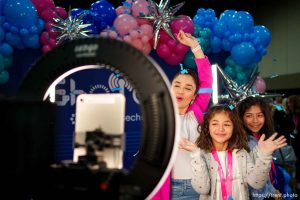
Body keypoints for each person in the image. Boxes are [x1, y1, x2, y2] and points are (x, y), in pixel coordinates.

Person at [152, 30, 213, 200]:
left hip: (198, 185)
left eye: (188, 88)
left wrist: (195, 46)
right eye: (177, 85)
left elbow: (207, 79)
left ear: (194, 96)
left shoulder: (197, 112)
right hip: (167, 187)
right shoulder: (159, 115)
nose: (181, 91)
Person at [182, 105, 287, 200]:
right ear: (207, 127)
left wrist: (264, 155)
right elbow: (202, 189)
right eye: (215, 124)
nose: (221, 129)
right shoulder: (201, 155)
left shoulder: (241, 154)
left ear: (234, 128)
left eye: (227, 124)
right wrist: (195, 155)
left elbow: (256, 184)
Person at [237, 96, 284, 199]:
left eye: (259, 115)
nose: (255, 121)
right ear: (241, 118)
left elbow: (264, 173)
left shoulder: (259, 137)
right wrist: (271, 192)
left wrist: (272, 190)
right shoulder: (246, 142)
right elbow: (254, 179)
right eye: (249, 116)